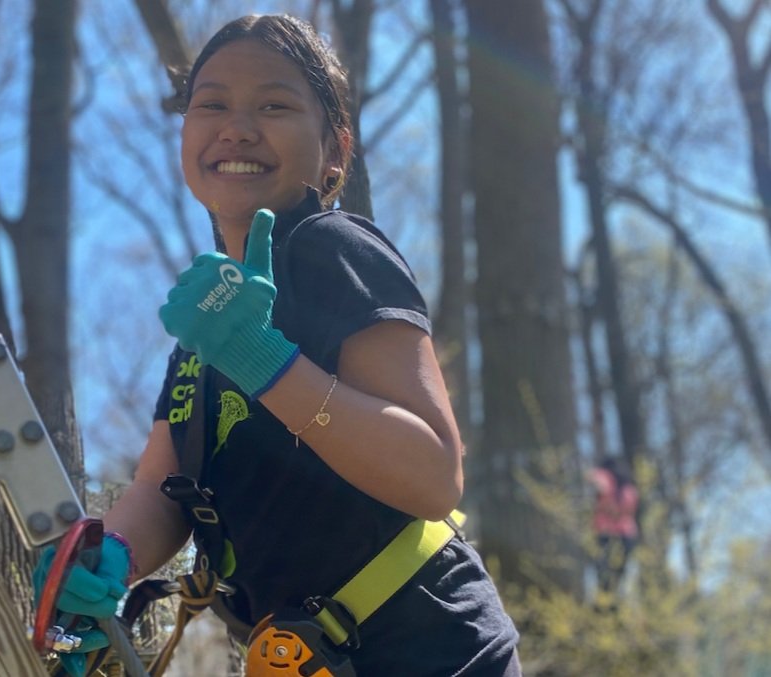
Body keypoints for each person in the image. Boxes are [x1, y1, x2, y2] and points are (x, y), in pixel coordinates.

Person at [34, 13, 520, 676]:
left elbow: (433, 474)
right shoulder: (202, 334)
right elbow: (162, 484)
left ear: (335, 150)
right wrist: (109, 553)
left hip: (429, 645)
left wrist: (264, 362)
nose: (237, 125)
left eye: (274, 104)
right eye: (211, 104)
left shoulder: (331, 249)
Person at [589, 456, 639, 597]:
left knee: (604, 578)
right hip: (627, 536)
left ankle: (606, 606)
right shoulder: (628, 487)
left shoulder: (604, 476)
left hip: (606, 534)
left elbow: (595, 481)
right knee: (619, 578)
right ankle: (616, 604)